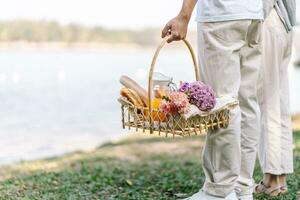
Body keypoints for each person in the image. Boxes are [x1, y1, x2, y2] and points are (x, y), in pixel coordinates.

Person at [161, 0, 263, 199]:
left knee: (221, 105)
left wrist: (184, 15)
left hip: (222, 15)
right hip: (253, 15)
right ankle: (242, 187)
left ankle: (220, 191)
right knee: (246, 102)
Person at [256, 0, 296, 197]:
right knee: (279, 104)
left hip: (269, 21)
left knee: (267, 103)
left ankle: (271, 178)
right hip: (285, 23)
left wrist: (254, 21)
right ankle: (280, 178)